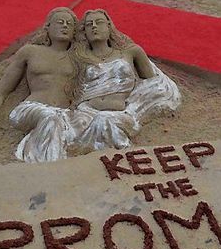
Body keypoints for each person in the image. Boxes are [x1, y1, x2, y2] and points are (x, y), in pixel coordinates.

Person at [0, 7, 80, 162]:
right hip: (31, 108)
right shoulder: (30, 52)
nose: (65, 26)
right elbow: (0, 92)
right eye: (60, 22)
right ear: (48, 27)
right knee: (51, 118)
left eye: (69, 24)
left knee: (58, 121)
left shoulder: (79, 58)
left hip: (63, 113)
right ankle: (46, 166)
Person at [67, 9, 181, 154]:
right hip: (85, 113)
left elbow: (153, 83)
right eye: (89, 25)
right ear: (84, 31)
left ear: (109, 26)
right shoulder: (79, 58)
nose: (94, 26)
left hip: (121, 113)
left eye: (99, 22)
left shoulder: (131, 52)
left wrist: (138, 103)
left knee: (104, 120)